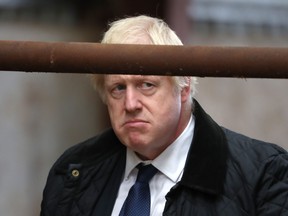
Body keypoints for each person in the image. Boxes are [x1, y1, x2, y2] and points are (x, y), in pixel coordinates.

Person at [40, 15, 288, 216]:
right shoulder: (73, 171)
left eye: (147, 84)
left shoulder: (264, 174)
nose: (130, 103)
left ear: (184, 86)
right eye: (118, 88)